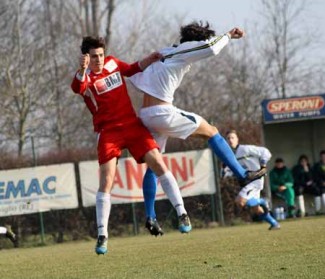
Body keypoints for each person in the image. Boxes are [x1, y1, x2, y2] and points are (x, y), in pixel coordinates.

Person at [127, 21, 267, 230]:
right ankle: (242, 176)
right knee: (212, 132)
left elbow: (134, 75)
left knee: (155, 166)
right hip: (162, 113)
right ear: (195, 41)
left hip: (146, 114)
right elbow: (211, 48)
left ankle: (150, 216)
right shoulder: (186, 49)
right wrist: (229, 35)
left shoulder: (165, 52)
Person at [71, 36, 191, 255]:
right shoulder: (85, 76)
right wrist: (81, 69)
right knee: (106, 181)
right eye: (93, 56)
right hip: (108, 132)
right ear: (86, 57)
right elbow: (78, 88)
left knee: (159, 164)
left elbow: (134, 68)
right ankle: (102, 235)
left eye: (100, 55)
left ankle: (182, 213)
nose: (98, 59)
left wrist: (151, 58)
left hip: (132, 125)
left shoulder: (113, 63)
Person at [223, 130, 279, 229]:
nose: (230, 140)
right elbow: (231, 170)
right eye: (228, 138)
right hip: (248, 182)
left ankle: (263, 201)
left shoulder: (245, 149)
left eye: (232, 137)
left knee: (240, 201)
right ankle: (274, 223)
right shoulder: (231, 155)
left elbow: (265, 152)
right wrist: (226, 173)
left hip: (255, 180)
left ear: (237, 139)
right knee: (256, 209)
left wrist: (263, 165)